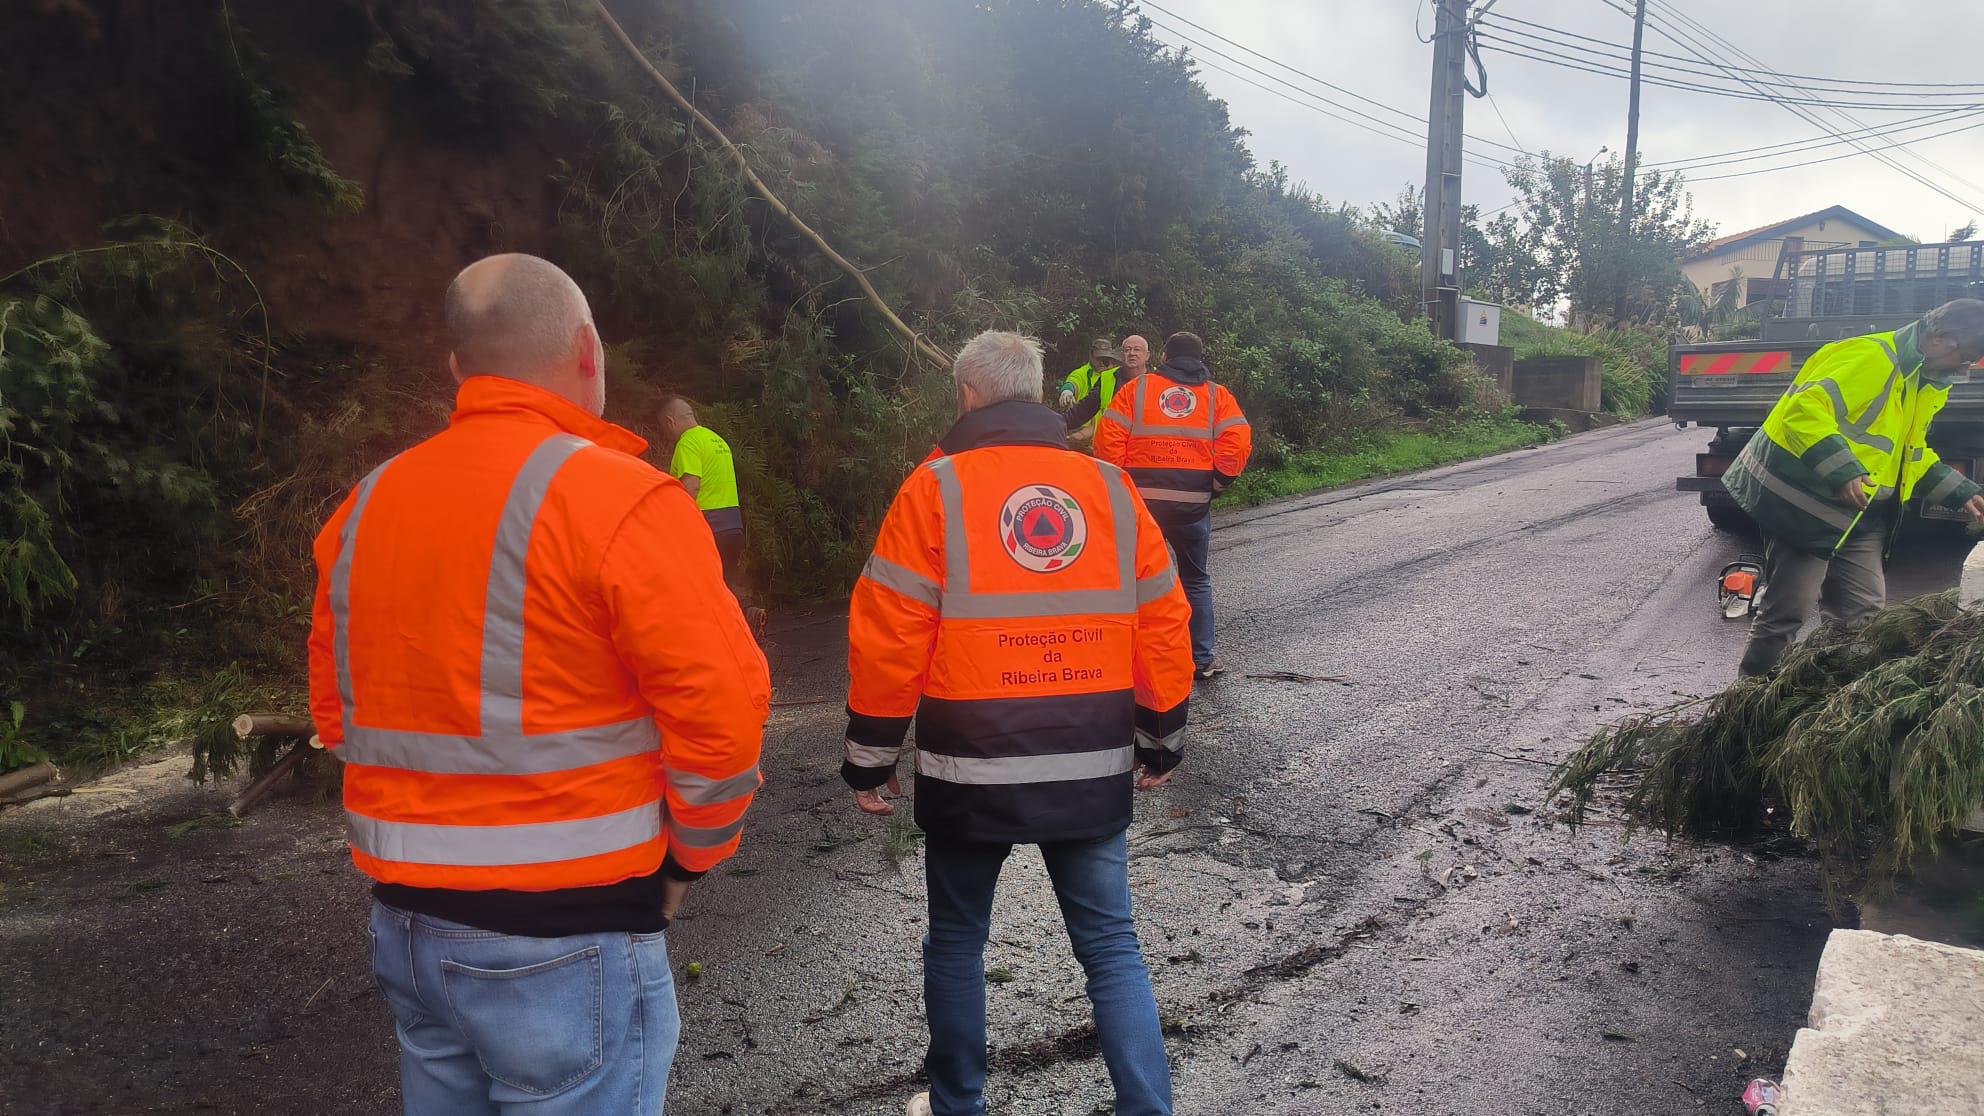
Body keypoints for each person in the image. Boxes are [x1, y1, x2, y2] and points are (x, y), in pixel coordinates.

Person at [307, 253, 770, 1114]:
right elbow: (722, 718)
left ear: (458, 366)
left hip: (406, 929)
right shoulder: (624, 500)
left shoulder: (363, 507)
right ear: (589, 351)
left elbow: (338, 719)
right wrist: (689, 860)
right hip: (568, 933)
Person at [843, 330, 1195, 1116]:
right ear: (1037, 394)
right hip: (1090, 757)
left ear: (968, 396)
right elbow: (1164, 622)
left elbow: (889, 636)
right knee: (1111, 947)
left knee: (957, 941)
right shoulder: (1110, 487)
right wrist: (1161, 737)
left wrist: (871, 756)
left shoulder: (932, 489)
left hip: (971, 763)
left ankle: (957, 1104)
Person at [1724, 298, 1984, 676]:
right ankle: (1749, 698)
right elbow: (1803, 411)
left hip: (1862, 515)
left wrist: (1961, 491)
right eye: (1967, 356)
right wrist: (1843, 470)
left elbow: (1908, 453)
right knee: (1787, 613)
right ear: (1940, 338)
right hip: (1807, 507)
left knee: (1862, 618)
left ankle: (1828, 695)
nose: (1965, 367)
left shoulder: (1924, 381)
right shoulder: (1872, 357)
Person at [1094, 331, 1252, 680]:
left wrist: (1123, 489)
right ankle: (1202, 658)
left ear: (1164, 357)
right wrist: (1217, 485)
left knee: (1134, 581)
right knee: (1195, 579)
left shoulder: (1137, 390)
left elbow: (1108, 440)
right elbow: (1237, 443)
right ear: (1199, 359)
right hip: (1193, 505)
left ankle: (1129, 661)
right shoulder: (1217, 396)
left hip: (1142, 506)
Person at [660, 395, 764, 630]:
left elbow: (692, 486)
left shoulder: (688, 442)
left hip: (708, 527)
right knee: (724, 584)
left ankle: (716, 632)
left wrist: (674, 522)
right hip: (733, 526)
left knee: (699, 587)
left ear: (669, 422)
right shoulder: (717, 440)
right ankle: (747, 618)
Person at [1062, 335, 1148, 442]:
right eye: (1127, 350)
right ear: (1122, 355)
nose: (1132, 353)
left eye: (1137, 349)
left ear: (1147, 355)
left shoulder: (1157, 381)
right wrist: (1056, 424)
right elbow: (1083, 410)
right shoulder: (1107, 378)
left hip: (1143, 446)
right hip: (1111, 445)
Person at [1056, 337, 1122, 443]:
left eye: (1105, 359)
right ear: (1091, 355)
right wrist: (1067, 391)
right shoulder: (1082, 373)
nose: (1101, 362)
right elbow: (1073, 381)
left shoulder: (1116, 376)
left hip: (1106, 437)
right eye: (1098, 358)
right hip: (1078, 434)